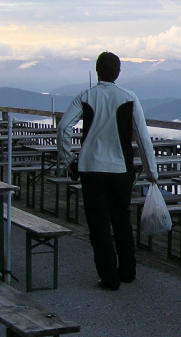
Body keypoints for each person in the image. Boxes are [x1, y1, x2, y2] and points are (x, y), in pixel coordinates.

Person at [57, 51, 159, 291]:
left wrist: (70, 160)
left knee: (99, 225)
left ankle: (109, 278)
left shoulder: (85, 96)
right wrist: (151, 172)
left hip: (91, 169)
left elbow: (63, 128)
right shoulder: (129, 97)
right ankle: (128, 271)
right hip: (121, 169)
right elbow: (143, 138)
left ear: (96, 71)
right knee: (122, 220)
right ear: (118, 72)